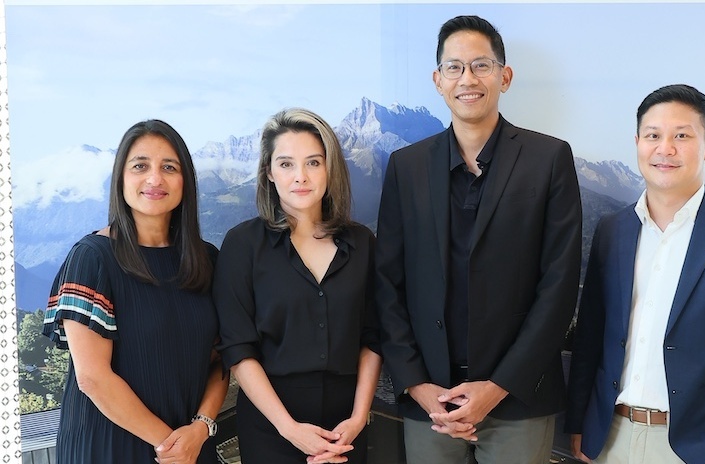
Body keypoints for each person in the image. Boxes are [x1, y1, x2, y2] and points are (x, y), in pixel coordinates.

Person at [375, 15, 582, 464]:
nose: (467, 79)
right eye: (454, 67)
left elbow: (559, 285)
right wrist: (416, 384)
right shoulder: (406, 167)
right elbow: (387, 283)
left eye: (481, 65)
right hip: (431, 397)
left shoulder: (549, 158)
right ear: (438, 81)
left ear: (504, 76)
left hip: (519, 394)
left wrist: (499, 386)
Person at [565, 84, 705, 464]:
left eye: (682, 136)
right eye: (653, 135)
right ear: (637, 142)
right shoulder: (612, 230)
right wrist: (578, 423)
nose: (665, 149)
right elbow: (590, 334)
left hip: (696, 446)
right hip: (608, 437)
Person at [42, 119, 228, 464]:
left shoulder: (208, 261)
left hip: (190, 445)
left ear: (185, 181)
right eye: (140, 166)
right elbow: (93, 378)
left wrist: (201, 429)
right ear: (121, 179)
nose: (155, 179)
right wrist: (171, 446)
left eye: (169, 167)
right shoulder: (92, 259)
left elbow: (220, 361)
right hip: (110, 447)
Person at [213, 108, 382, 464]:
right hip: (272, 425)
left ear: (330, 168)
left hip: (346, 427)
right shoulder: (243, 244)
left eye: (313, 163)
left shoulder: (362, 243)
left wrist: (358, 418)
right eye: (286, 164)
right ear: (268, 172)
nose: (300, 176)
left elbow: (373, 337)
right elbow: (238, 349)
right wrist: (289, 428)